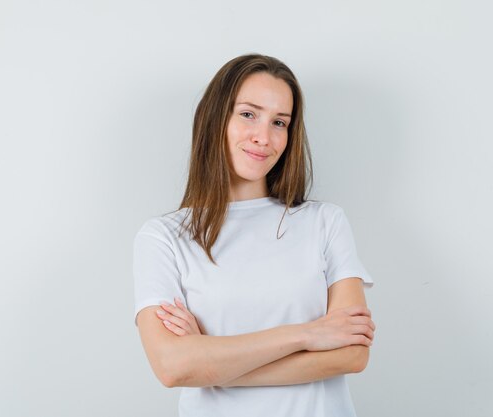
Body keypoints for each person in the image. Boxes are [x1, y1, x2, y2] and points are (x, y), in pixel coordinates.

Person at [133, 53, 376, 417]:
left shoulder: (324, 222)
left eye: (280, 122)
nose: (264, 137)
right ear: (216, 118)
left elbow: (352, 353)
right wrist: (308, 335)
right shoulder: (163, 238)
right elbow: (172, 367)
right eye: (248, 114)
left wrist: (211, 363)